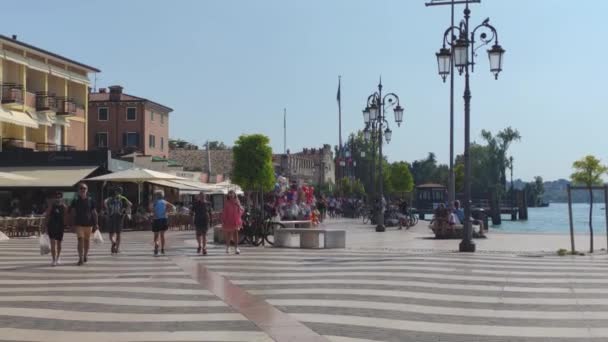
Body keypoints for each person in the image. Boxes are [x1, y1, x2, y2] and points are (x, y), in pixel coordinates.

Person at [69, 183, 99, 266]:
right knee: (80, 240)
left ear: (87, 190)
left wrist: (96, 223)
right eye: (81, 188)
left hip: (89, 224)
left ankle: (85, 255)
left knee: (87, 241)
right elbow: (72, 213)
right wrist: (71, 225)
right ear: (78, 190)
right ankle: (80, 258)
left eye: (84, 188)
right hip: (79, 224)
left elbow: (94, 212)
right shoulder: (75, 201)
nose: (83, 190)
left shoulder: (91, 200)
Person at [104, 186, 132, 254]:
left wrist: (107, 209)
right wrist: (125, 210)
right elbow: (130, 204)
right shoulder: (122, 198)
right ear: (121, 192)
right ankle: (117, 248)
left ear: (115, 191)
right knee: (118, 233)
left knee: (111, 233)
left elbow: (105, 202)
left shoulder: (110, 198)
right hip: (120, 217)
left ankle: (113, 242)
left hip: (111, 216)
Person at [44, 192, 67, 266]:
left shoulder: (64, 206)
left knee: (59, 244)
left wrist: (67, 225)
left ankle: (58, 257)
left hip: (60, 226)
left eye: (59, 197)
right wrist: (45, 226)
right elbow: (47, 216)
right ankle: (53, 259)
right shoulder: (51, 206)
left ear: (62, 198)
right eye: (56, 197)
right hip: (52, 226)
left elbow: (66, 216)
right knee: (53, 243)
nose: (58, 198)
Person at [149, 190, 175, 256]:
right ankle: (162, 249)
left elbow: (150, 208)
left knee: (156, 235)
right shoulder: (164, 202)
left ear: (156, 196)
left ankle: (156, 244)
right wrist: (166, 211)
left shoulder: (154, 202)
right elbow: (173, 207)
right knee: (162, 235)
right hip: (164, 219)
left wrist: (154, 213)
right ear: (162, 195)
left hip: (156, 219)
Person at [221, 190, 244, 255]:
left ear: (234, 194)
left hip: (236, 220)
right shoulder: (227, 203)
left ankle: (236, 248)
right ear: (228, 195)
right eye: (230, 194)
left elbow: (241, 210)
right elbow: (224, 212)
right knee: (229, 234)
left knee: (235, 234)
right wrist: (223, 220)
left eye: (232, 194)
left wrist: (238, 205)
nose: (231, 195)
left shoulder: (237, 202)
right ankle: (228, 247)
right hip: (228, 220)